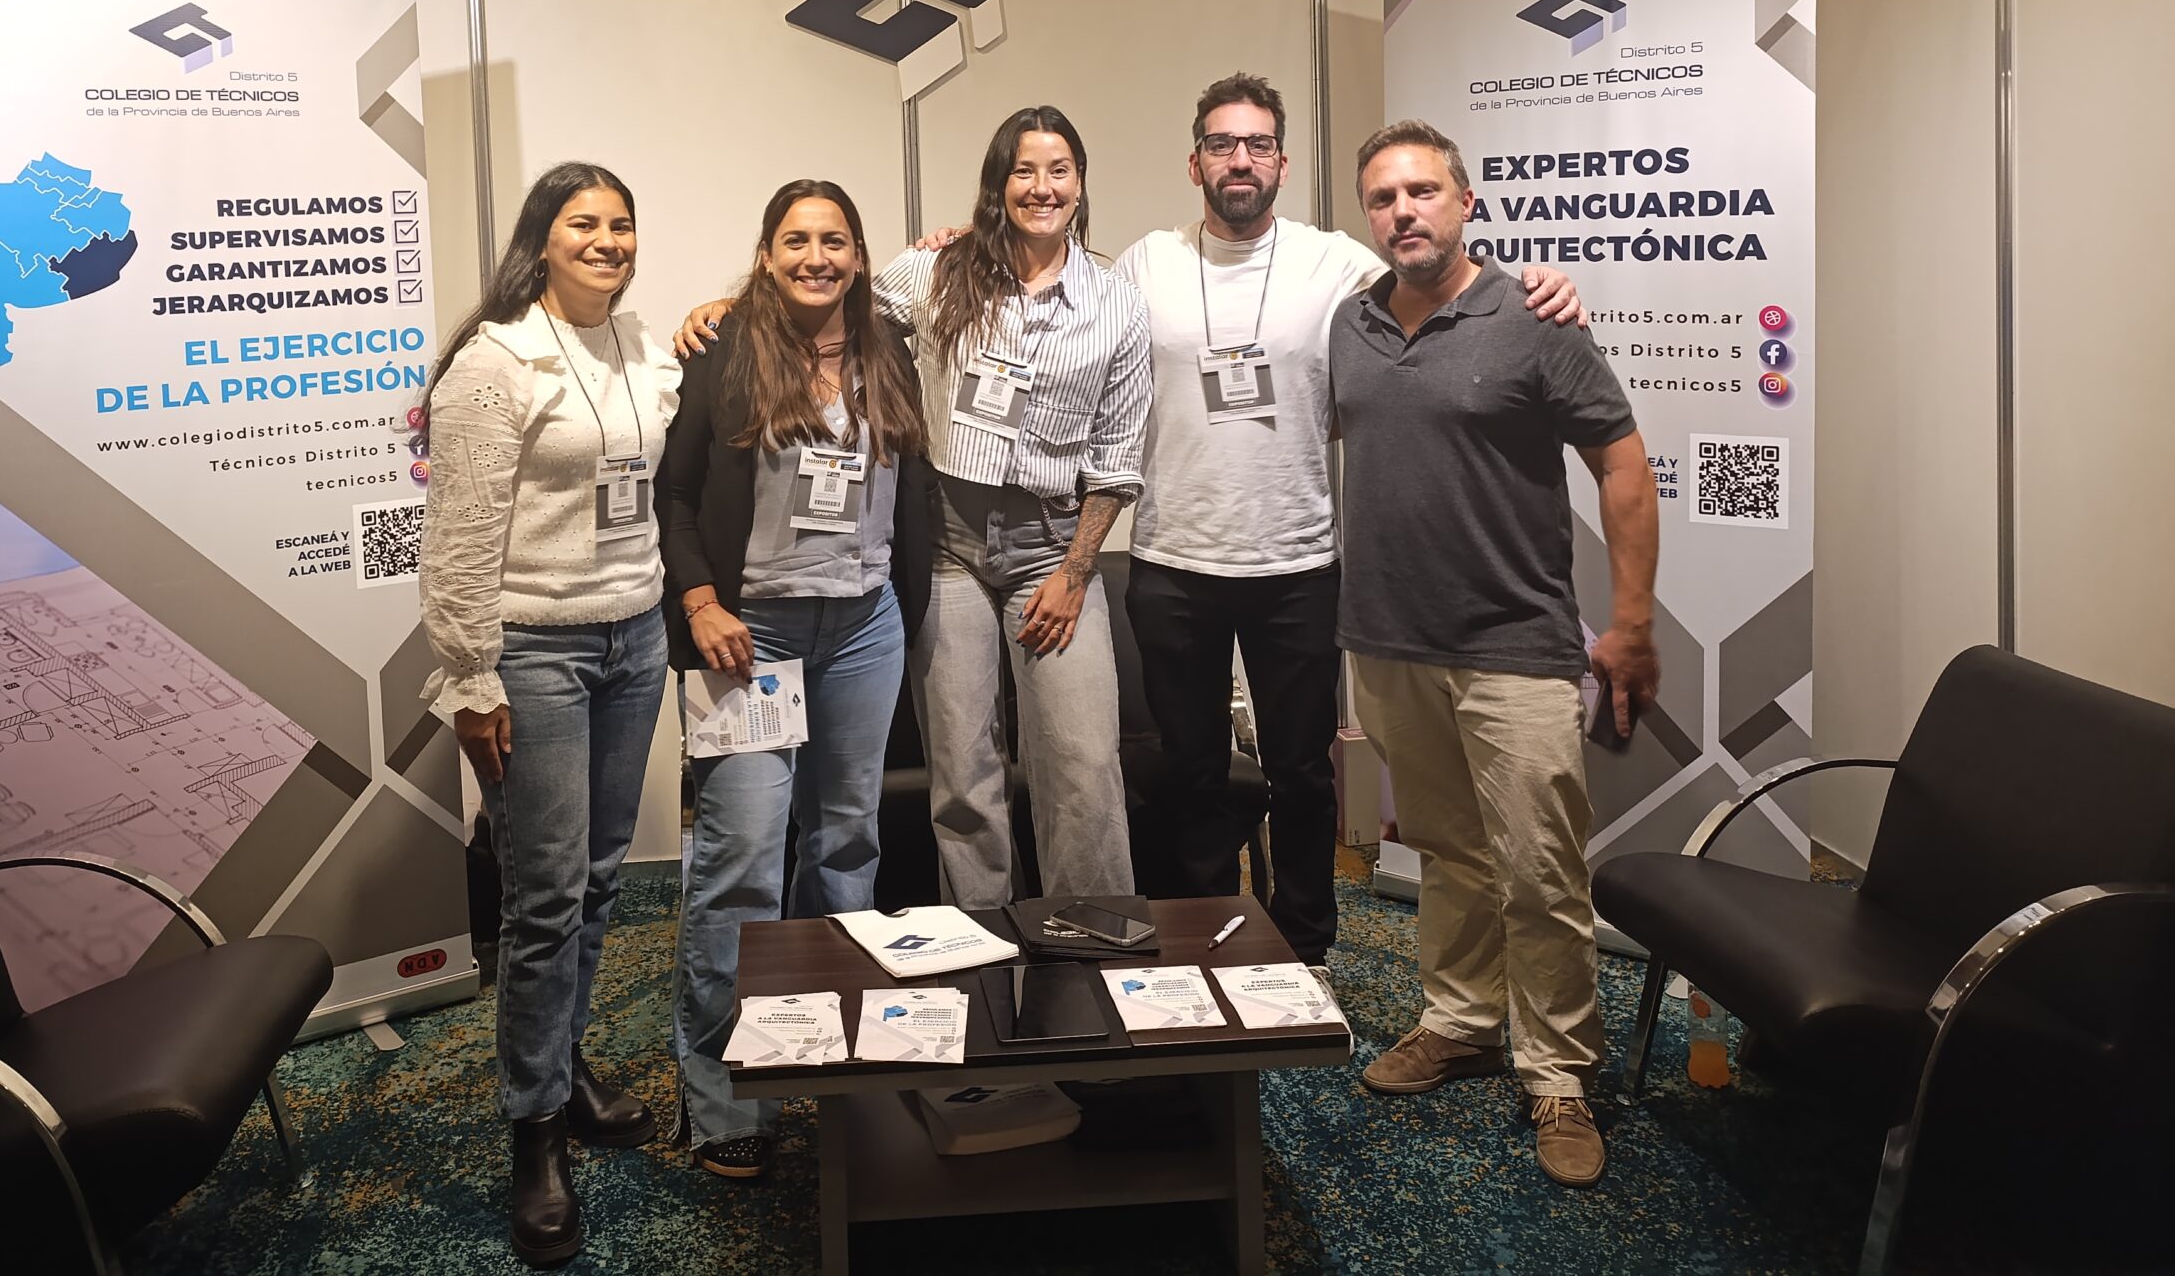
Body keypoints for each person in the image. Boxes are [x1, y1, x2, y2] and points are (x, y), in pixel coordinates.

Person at [1112, 74, 1582, 971]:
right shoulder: (1146, 263)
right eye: (1221, 144)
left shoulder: (1334, 261)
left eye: (1257, 144)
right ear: (1195, 162)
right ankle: (1201, 943)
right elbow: (1062, 303)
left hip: (1298, 562)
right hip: (1173, 561)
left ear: (1283, 163)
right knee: (1192, 770)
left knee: (1301, 771)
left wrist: (1539, 283)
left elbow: (1444, 280)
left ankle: (1304, 948)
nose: (1240, 159)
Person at [681, 106, 1150, 908]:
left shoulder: (1118, 303)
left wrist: (1076, 572)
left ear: (1080, 183)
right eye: (1023, 171)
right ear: (998, 184)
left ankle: (1093, 939)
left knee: (1082, 762)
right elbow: (827, 297)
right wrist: (724, 310)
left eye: (1059, 170)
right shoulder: (936, 272)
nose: (1041, 187)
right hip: (947, 547)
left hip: (1052, 549)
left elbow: (1118, 456)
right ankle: (985, 945)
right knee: (962, 773)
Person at [1329, 119, 1659, 1190]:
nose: (1403, 212)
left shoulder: (1533, 318)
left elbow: (1622, 465)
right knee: (1448, 848)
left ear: (1466, 203)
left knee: (1539, 867)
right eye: (1383, 198)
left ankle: (1557, 1072)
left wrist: (1631, 622)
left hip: (1513, 642)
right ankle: (1460, 1019)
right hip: (1388, 640)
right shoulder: (1349, 323)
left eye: (1422, 191)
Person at [420, 161, 682, 1268]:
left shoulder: (638, 344)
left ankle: (564, 1064)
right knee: (542, 898)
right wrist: (470, 678)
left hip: (635, 638)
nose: (608, 240)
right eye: (585, 223)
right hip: (534, 651)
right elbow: (458, 535)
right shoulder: (495, 361)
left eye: (622, 224)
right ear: (543, 238)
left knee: (600, 879)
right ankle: (533, 1132)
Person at [657, 180, 934, 1181]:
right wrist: (700, 601)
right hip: (750, 635)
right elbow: (673, 491)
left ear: (858, 254)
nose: (816, 257)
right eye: (796, 240)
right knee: (741, 855)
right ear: (767, 253)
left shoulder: (888, 349)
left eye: (835, 240)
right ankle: (725, 1096)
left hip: (864, 625)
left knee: (848, 845)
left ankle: (839, 1052)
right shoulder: (725, 348)